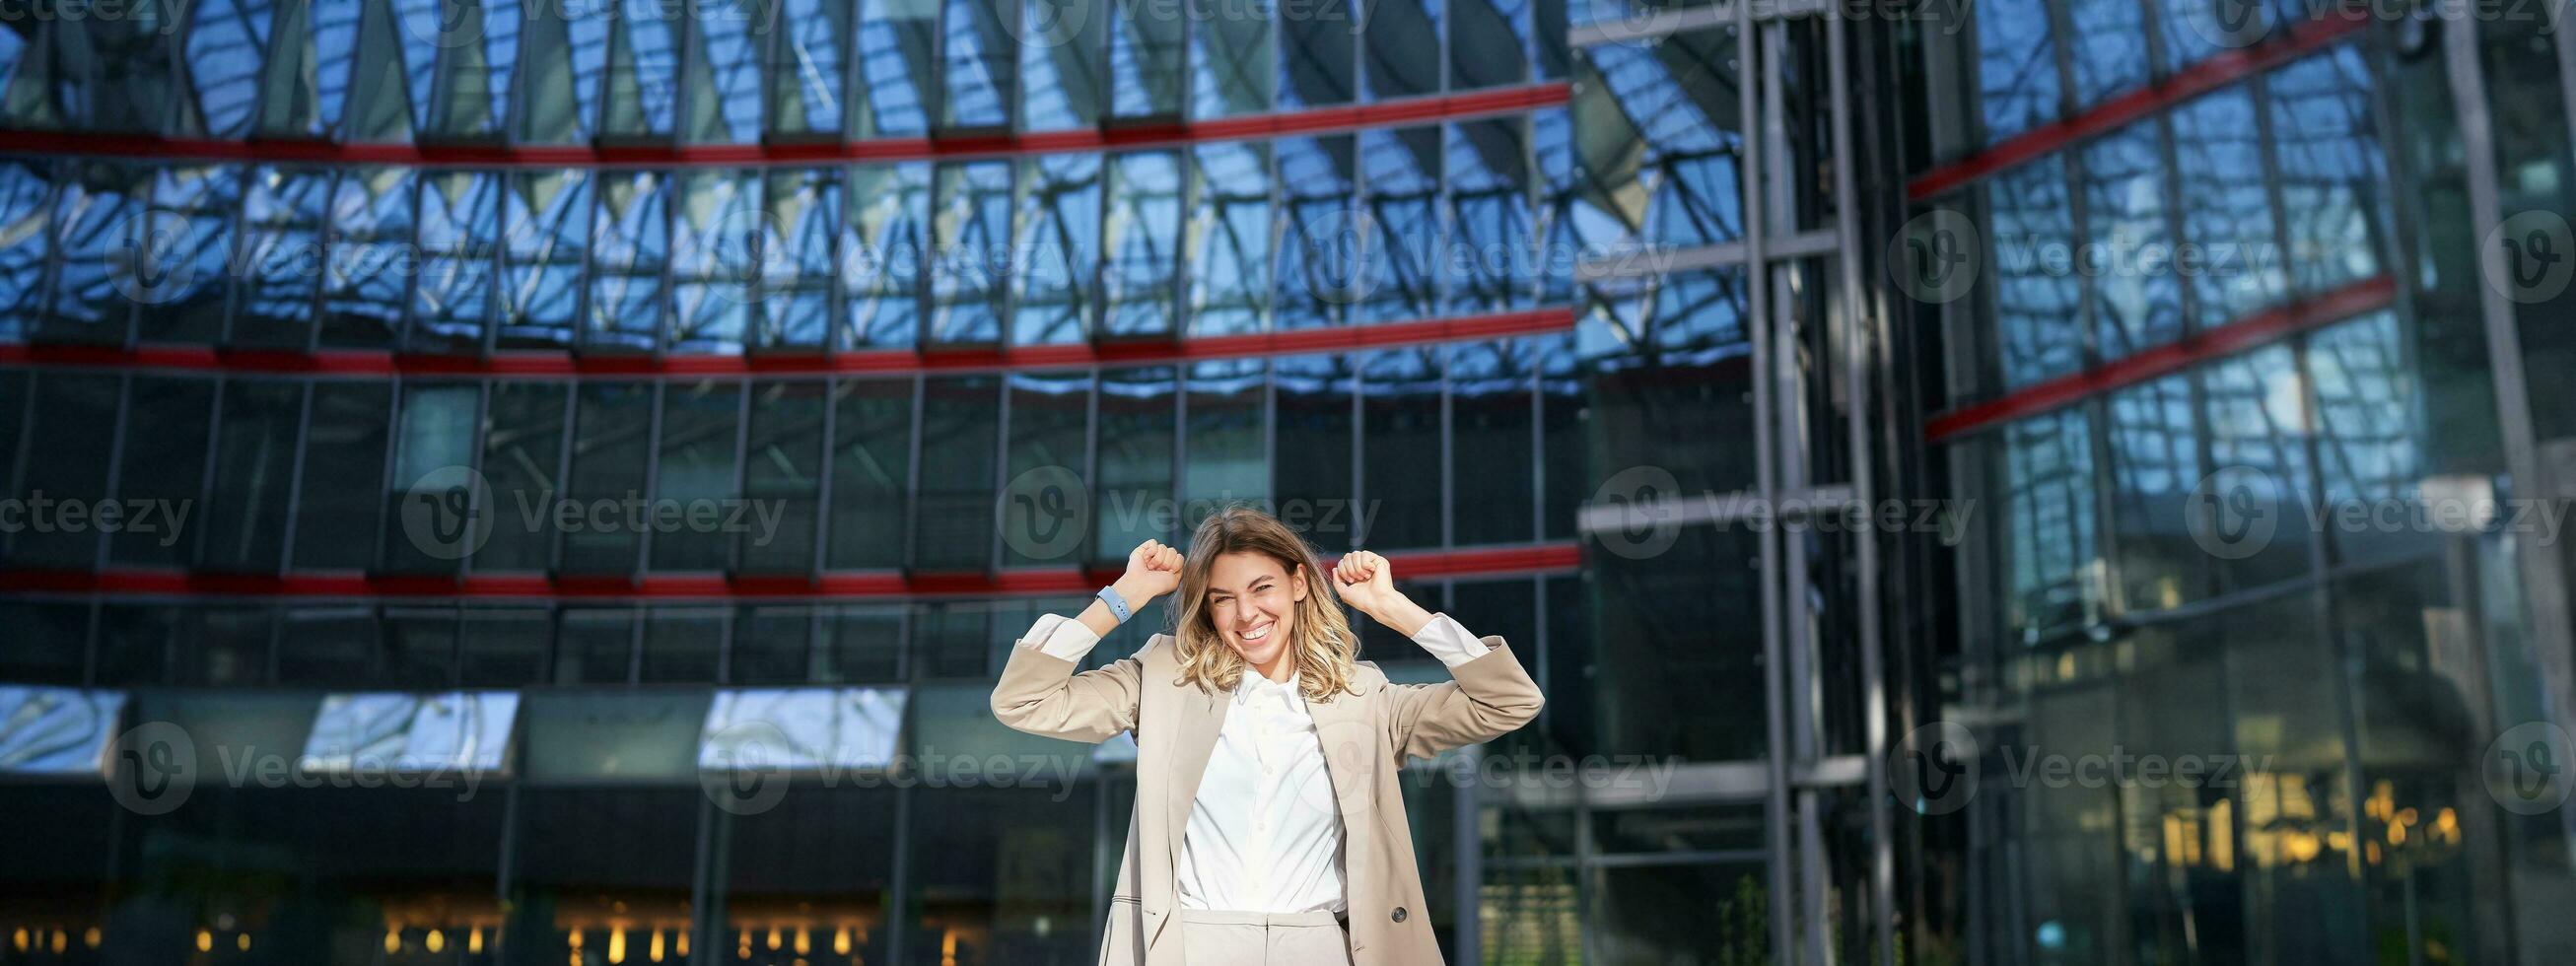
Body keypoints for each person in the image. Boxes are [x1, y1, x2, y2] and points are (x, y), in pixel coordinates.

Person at [990, 505, 1546, 965]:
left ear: (1299, 582)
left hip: (1321, 945)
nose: (1246, 613)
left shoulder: (1364, 696)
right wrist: (1123, 597)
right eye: (1222, 597)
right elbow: (1023, 701)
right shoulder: (1164, 677)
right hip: (1192, 945)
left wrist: (1394, 609)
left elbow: (1509, 701)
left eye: (1262, 588)